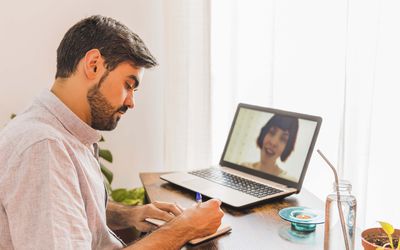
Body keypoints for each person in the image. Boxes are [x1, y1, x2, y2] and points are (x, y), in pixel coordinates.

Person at [0, 15, 223, 249]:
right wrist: (184, 228)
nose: (131, 102)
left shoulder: (65, 132)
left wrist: (129, 214)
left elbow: (75, 207)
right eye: (128, 84)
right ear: (93, 64)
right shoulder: (44, 147)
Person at [243, 114, 299, 181]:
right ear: (264, 134)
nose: (273, 142)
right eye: (272, 132)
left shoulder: (288, 181)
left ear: (287, 148)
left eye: (283, 139)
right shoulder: (244, 167)